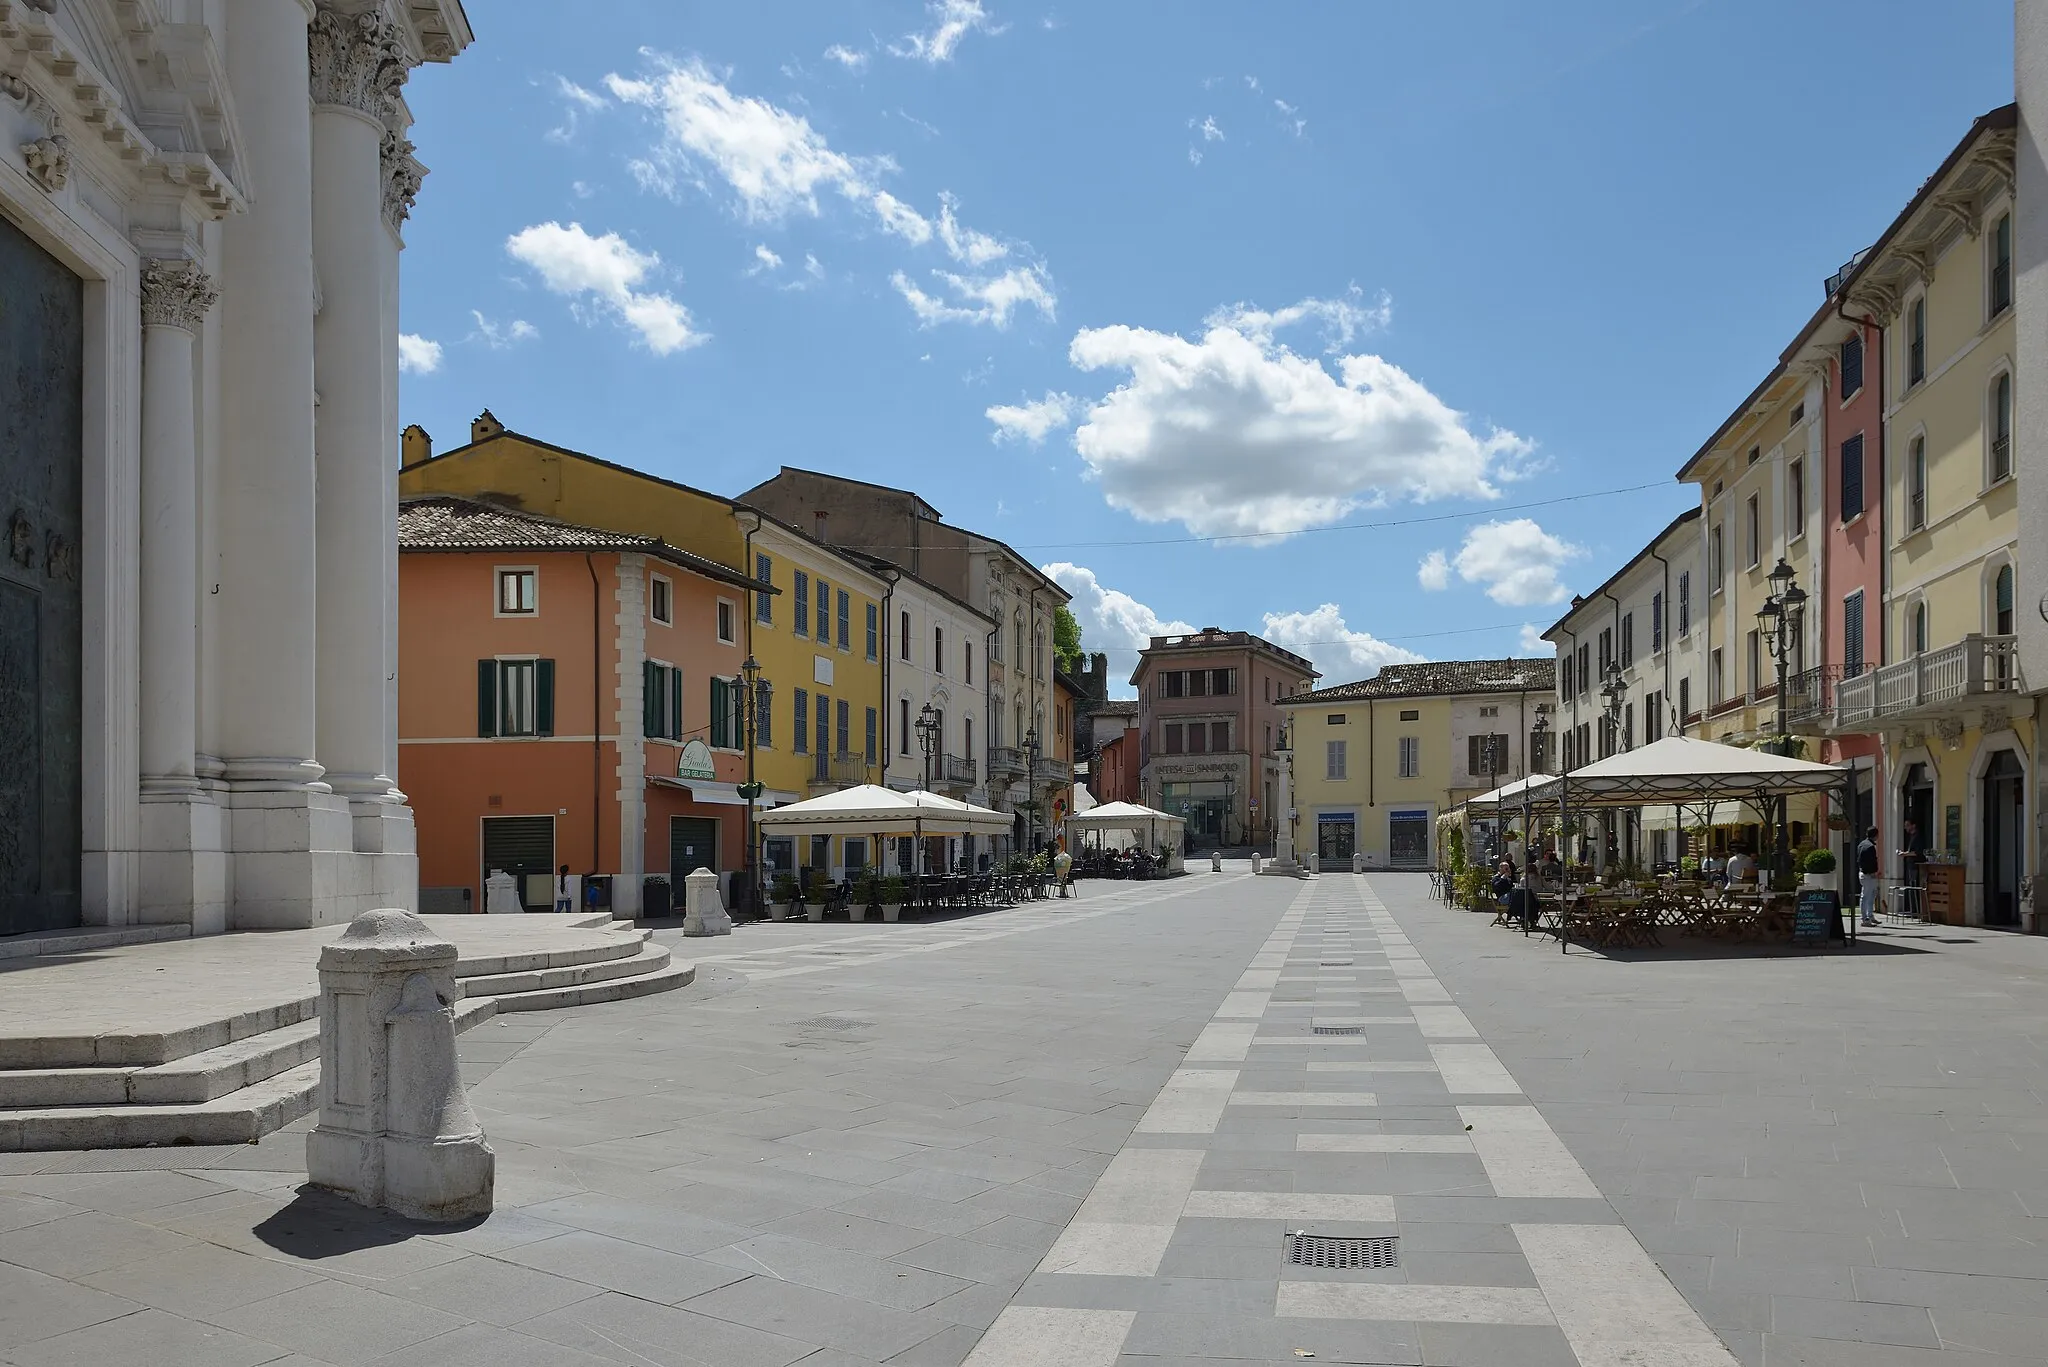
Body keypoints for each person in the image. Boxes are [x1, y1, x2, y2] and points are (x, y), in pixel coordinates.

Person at [1857, 825, 1881, 926]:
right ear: (1875, 835)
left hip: (1863, 873)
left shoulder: (1861, 844)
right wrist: (1874, 872)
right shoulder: (1870, 847)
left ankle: (1869, 916)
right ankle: (1865, 918)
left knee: (1870, 895)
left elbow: (1859, 860)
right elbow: (1871, 862)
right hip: (1868, 874)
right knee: (1867, 896)